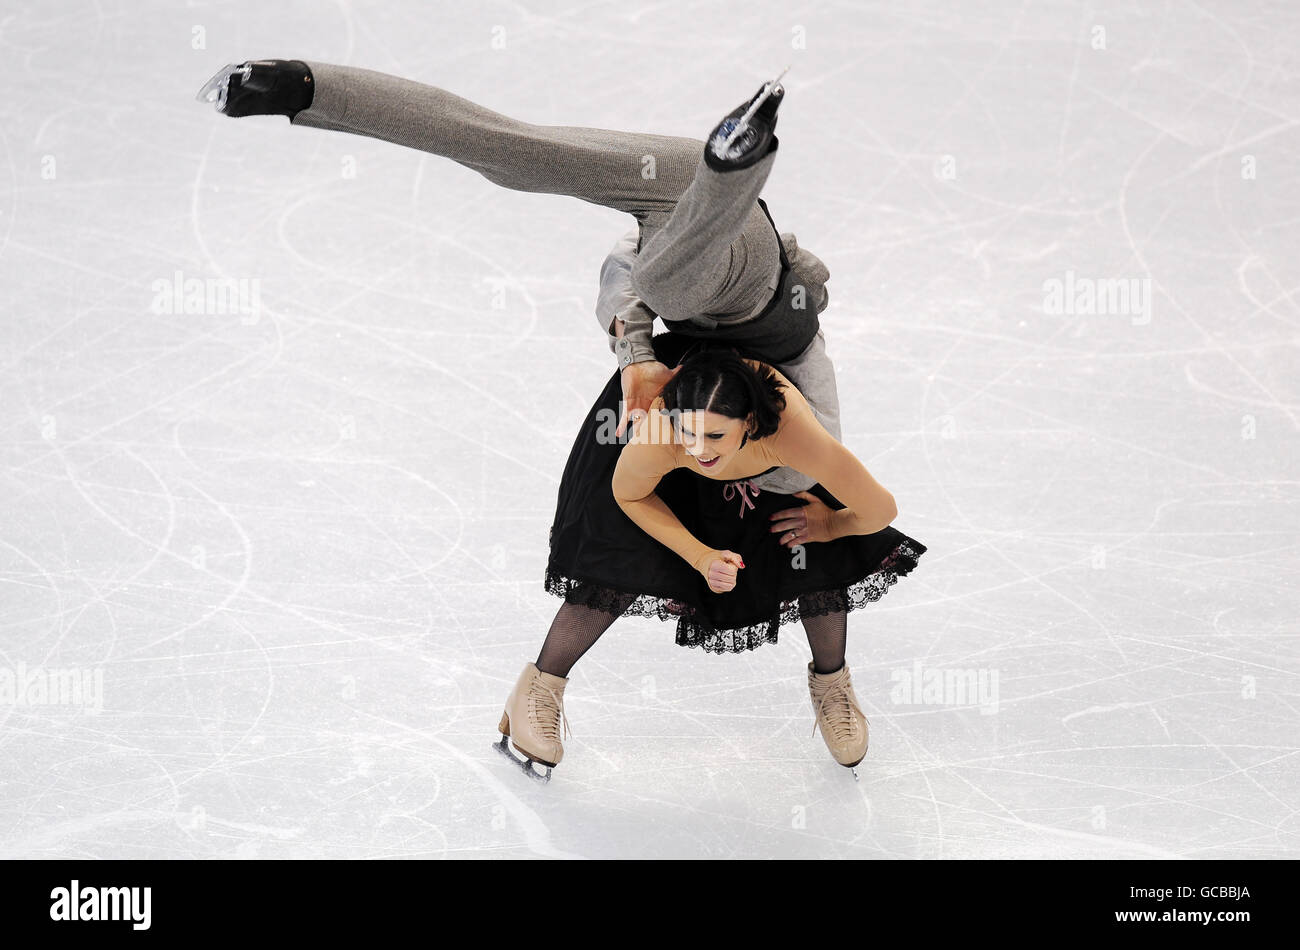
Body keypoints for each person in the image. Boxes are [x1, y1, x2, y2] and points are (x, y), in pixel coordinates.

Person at [197, 60, 925, 781]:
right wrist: (638, 356)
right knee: (518, 153)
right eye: (691, 439)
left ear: (749, 434)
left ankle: (831, 680)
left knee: (799, 528)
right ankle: (302, 87)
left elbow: (858, 496)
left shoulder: (796, 425)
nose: (698, 455)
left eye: (712, 446)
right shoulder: (665, 420)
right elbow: (625, 275)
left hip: (737, 275)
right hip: (686, 201)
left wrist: (826, 520)